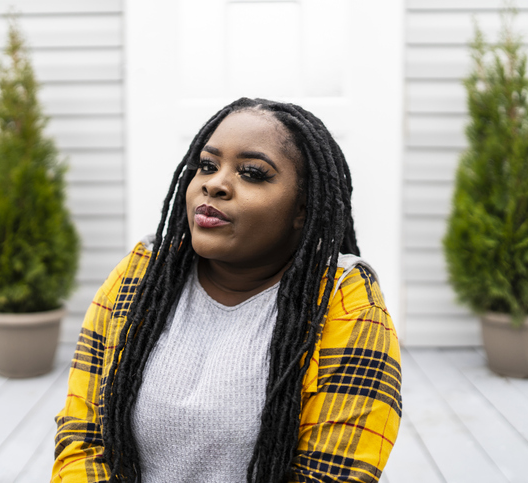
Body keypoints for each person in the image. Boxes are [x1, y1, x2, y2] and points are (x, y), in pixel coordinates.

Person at [52, 98, 402, 483]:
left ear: (303, 208)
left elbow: (332, 473)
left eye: (251, 173)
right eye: (207, 165)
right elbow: (82, 433)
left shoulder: (346, 302)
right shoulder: (142, 274)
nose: (214, 184)